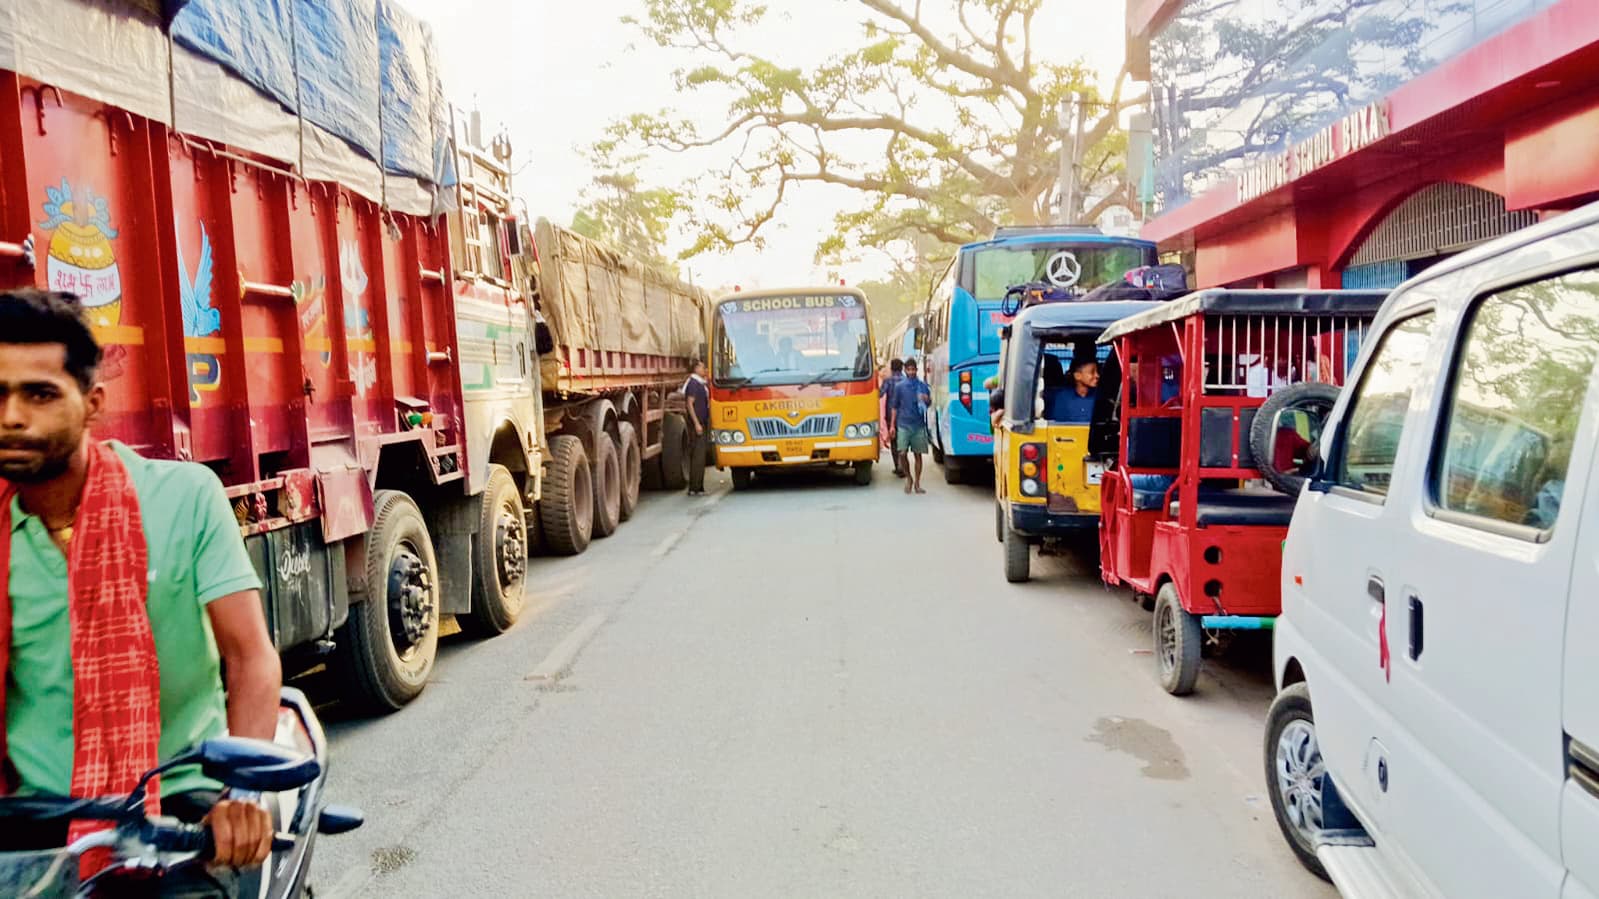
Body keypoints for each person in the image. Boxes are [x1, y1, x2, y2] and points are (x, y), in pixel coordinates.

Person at [0, 289, 279, 868]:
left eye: (40, 394)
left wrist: (243, 796)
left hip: (176, 798)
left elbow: (249, 656)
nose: (12, 417)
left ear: (93, 403)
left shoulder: (185, 497)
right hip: (29, 814)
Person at [888, 358, 932, 495]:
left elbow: (929, 404)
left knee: (918, 455)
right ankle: (909, 478)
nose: (911, 372)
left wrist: (926, 399)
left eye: (913, 369)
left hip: (918, 424)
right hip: (903, 424)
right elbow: (894, 407)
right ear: (905, 370)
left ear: (916, 370)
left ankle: (917, 483)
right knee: (902, 453)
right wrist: (892, 426)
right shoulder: (899, 387)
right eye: (909, 369)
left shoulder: (923, 386)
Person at [683, 359, 710, 496]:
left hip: (702, 423)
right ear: (696, 368)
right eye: (702, 367)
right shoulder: (693, 383)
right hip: (697, 424)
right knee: (698, 456)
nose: (704, 369)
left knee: (701, 456)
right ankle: (694, 488)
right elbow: (689, 403)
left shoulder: (700, 383)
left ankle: (699, 487)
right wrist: (696, 423)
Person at [1051, 358, 1099, 422]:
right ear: (1077, 376)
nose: (1097, 375)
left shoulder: (1100, 397)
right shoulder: (1063, 398)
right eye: (1092, 372)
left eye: (1097, 372)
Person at [880, 358, 905, 477]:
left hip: (891, 414)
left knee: (894, 441)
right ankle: (903, 465)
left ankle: (897, 466)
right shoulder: (906, 380)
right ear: (902, 368)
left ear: (892, 368)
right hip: (905, 414)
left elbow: (880, 394)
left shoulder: (888, 381)